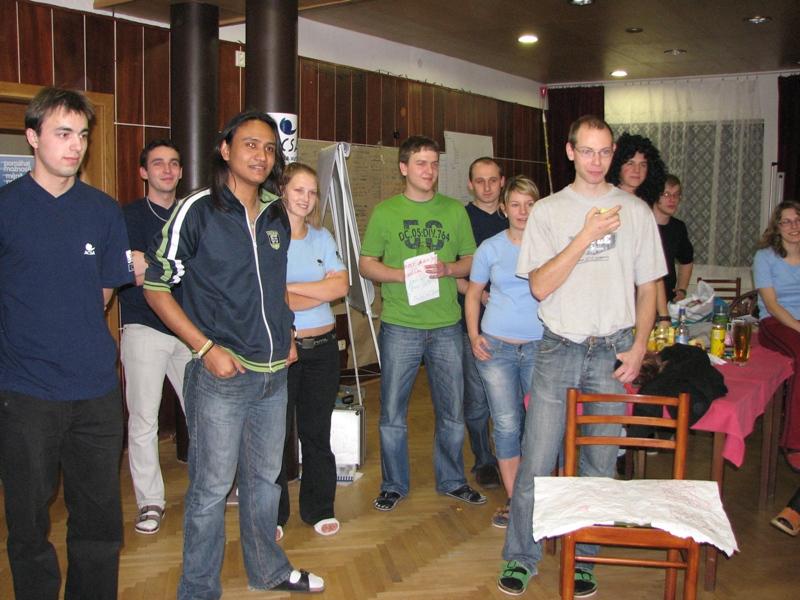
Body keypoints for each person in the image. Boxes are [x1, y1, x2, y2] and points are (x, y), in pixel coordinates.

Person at [143, 111, 324, 597]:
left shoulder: (275, 214)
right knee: (210, 489)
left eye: (269, 148)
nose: (261, 155)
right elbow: (156, 287)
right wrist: (204, 349)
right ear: (225, 149)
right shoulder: (197, 210)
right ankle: (198, 588)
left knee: (266, 483)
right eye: (250, 144)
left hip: (273, 376)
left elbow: (274, 287)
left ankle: (267, 571)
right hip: (221, 377)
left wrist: (287, 335)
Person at [497, 115, 666, 597]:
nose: (596, 161)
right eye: (587, 151)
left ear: (613, 154)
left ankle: (585, 557)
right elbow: (539, 286)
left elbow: (649, 286)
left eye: (605, 151)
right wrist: (586, 236)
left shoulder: (635, 210)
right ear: (570, 152)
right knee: (537, 458)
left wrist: (639, 346)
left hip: (613, 350)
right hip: (558, 348)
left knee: (600, 459)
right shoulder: (548, 212)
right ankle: (522, 556)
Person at [0, 87, 133, 599]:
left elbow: (102, 294)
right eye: (62, 133)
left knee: (99, 520)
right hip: (25, 393)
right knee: (28, 520)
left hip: (95, 391)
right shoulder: (7, 208)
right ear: (33, 137)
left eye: (82, 134)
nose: (76, 145)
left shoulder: (103, 211)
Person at [359, 135, 486, 512]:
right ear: (404, 168)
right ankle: (393, 484)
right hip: (400, 324)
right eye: (421, 163)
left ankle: (452, 480)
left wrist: (449, 268)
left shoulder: (454, 211)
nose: (429, 171)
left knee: (452, 411)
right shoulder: (385, 212)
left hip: (447, 325)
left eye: (434, 164)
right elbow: (366, 264)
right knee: (392, 413)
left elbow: (471, 260)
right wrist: (400, 275)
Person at [118, 139, 192, 535]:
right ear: (144, 172)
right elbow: (127, 270)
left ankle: (210, 488)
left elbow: (202, 269)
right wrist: (177, 265)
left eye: (174, 163)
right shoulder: (127, 216)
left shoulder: (192, 214)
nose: (167, 170)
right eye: (158, 163)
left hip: (190, 330)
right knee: (144, 420)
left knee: (205, 415)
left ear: (180, 172)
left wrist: (153, 263)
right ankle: (150, 502)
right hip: (143, 328)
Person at [465, 175, 542, 529]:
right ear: (503, 208)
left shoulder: (549, 246)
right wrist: (473, 336)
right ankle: (515, 501)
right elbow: (473, 293)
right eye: (515, 204)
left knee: (540, 424)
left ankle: (538, 496)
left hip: (540, 347)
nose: (522, 211)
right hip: (496, 349)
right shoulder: (490, 248)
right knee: (507, 423)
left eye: (529, 204)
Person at [276, 162, 348, 539]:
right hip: (281, 352)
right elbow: (269, 296)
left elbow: (340, 287)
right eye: (298, 190)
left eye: (312, 192)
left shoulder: (322, 237)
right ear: (282, 191)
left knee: (317, 432)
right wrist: (316, 289)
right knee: (276, 435)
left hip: (322, 350)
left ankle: (319, 507)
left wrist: (291, 290)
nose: (306, 198)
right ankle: (274, 514)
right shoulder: (269, 238)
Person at [458, 156, 508, 489]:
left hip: (514, 326)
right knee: (477, 400)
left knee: (511, 400)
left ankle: (512, 457)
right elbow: (452, 273)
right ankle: (484, 459)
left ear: (502, 181)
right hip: (474, 324)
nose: (487, 187)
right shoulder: (460, 219)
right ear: (470, 184)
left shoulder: (516, 214)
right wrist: (482, 296)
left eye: (493, 180)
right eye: (480, 181)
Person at [753, 200, 800, 473]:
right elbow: (771, 305)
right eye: (787, 221)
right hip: (775, 322)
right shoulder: (765, 257)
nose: (794, 226)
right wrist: (798, 326)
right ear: (777, 227)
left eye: (798, 220)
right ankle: (793, 442)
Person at [653, 174, 694, 319]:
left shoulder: (678, 227)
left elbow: (687, 259)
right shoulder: (642, 223)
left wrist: (682, 289)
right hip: (640, 299)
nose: (672, 200)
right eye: (666, 194)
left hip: (667, 302)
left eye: (676, 195)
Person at [607, 132, 668, 206]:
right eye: (630, 163)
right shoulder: (607, 199)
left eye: (643, 165)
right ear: (617, 165)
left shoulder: (650, 201)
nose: (637, 170)